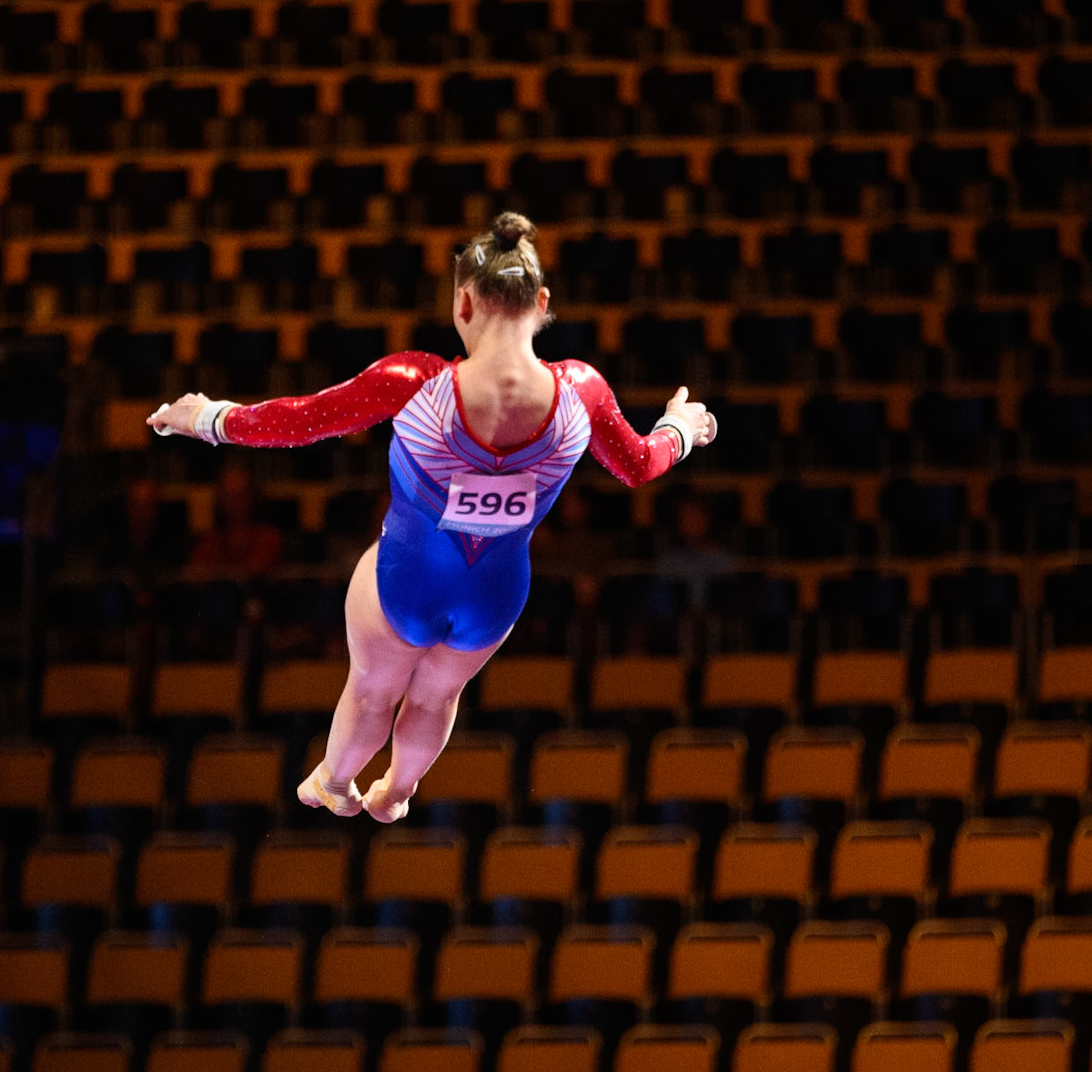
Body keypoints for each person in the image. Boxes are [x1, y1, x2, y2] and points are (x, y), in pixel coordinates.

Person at [149, 213, 716, 823]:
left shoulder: (418, 382)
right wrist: (679, 431)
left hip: (407, 580)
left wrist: (206, 417)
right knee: (439, 693)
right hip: (496, 594)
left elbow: (300, 421)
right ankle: (398, 789)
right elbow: (638, 465)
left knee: (371, 692)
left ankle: (337, 780)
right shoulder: (582, 392)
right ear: (542, 302)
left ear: (463, 302)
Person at [186, 467, 283, 581]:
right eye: (228, 496)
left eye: (239, 496)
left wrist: (215, 572)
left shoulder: (269, 537)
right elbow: (196, 573)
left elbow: (257, 570)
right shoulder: (210, 541)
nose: (233, 503)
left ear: (252, 496)